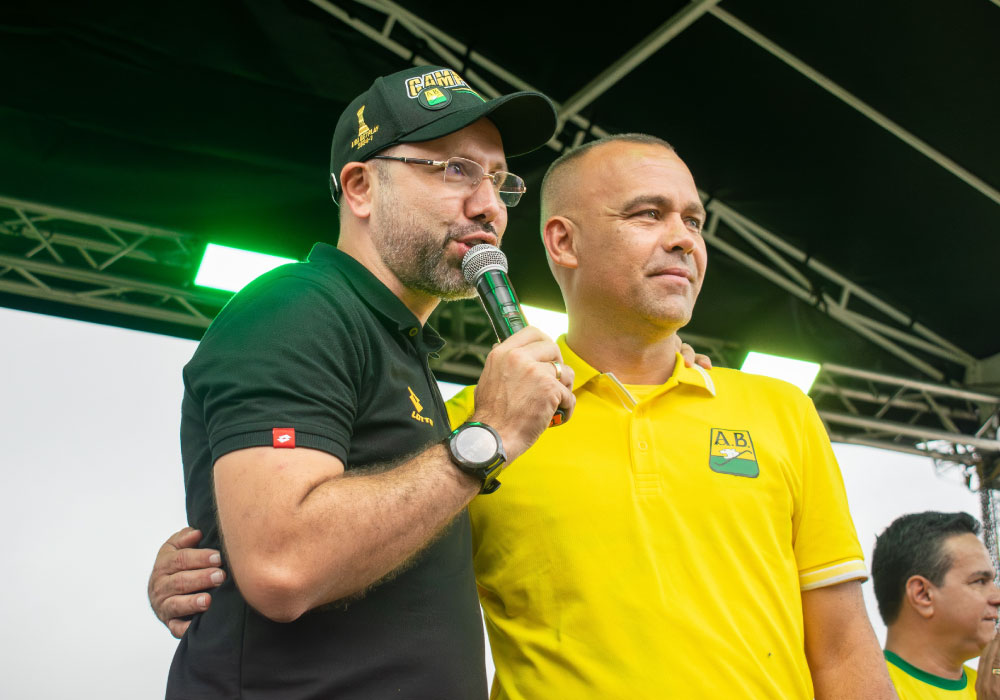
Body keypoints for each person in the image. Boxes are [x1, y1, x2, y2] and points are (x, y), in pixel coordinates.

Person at [151, 134, 896, 698]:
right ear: (561, 241)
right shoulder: (470, 424)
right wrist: (197, 564)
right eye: (648, 214)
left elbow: (841, 644)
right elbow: (337, 538)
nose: (683, 238)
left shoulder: (778, 410)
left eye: (694, 220)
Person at [162, 63, 578, 700]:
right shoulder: (296, 309)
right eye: (454, 169)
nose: (488, 204)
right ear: (360, 187)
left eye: (498, 179)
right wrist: (486, 437)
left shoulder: (394, 345)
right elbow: (282, 563)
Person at [872, 511, 1000, 699]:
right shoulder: (861, 688)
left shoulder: (989, 686)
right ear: (922, 594)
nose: (997, 597)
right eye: (980, 581)